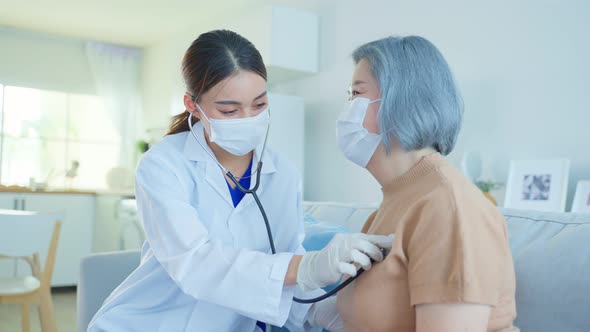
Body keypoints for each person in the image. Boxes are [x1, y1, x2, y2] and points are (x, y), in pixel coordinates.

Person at [87, 29, 392, 332]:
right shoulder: (163, 165)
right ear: (193, 105)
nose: (248, 118)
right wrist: (308, 267)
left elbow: (288, 270)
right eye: (230, 110)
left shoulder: (281, 174)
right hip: (146, 323)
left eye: (259, 105)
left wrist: (332, 314)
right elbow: (195, 263)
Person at [324, 36, 518, 331]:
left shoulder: (449, 206)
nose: (347, 108)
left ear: (401, 101)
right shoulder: (393, 203)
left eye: (356, 94)